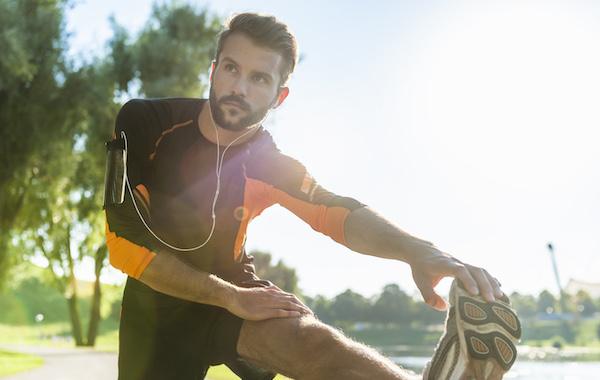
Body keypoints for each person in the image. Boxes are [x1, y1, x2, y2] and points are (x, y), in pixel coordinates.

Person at [104, 12, 521, 380]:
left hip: (238, 292)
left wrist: (420, 251)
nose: (239, 87)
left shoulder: (266, 161)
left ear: (279, 97)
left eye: (259, 78)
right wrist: (229, 296)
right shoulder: (143, 121)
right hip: (158, 305)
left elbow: (335, 211)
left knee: (316, 344)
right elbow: (123, 244)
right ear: (213, 71)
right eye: (231, 68)